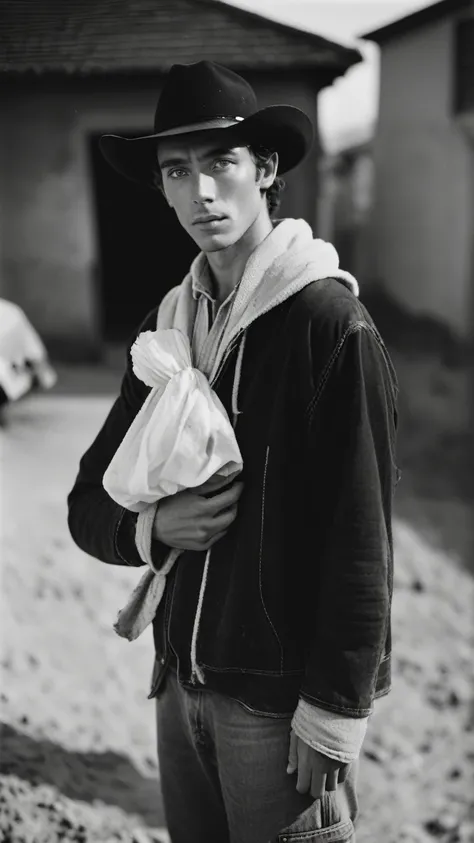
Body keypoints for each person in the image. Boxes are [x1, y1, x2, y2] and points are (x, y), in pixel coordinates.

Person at [67, 61, 399, 843]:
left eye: (220, 163)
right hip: (178, 685)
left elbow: (362, 540)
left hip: (276, 709)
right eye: (176, 171)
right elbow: (90, 503)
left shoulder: (330, 326)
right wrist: (158, 526)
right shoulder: (169, 327)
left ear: (267, 169)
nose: (200, 193)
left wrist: (332, 717)